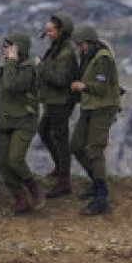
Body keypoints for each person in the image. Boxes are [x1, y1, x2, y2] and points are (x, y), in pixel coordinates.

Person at [70, 24, 121, 216]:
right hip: (89, 107)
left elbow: (100, 87)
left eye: (82, 45)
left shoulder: (103, 59)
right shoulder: (89, 58)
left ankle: (101, 196)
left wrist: (83, 86)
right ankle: (95, 180)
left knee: (95, 149)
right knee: (76, 145)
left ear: (90, 42)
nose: (80, 48)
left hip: (103, 108)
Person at [0, 32, 45, 215]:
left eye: (9, 46)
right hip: (7, 121)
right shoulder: (9, 67)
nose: (4, 49)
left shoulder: (27, 68)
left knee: (15, 159)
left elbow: (11, 85)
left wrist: (11, 61)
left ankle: (34, 188)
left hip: (24, 121)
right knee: (2, 164)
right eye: (4, 45)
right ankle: (20, 199)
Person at [36, 12, 79, 198]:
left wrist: (41, 67)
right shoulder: (56, 47)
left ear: (62, 31)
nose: (49, 34)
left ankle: (64, 181)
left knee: (61, 141)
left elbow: (61, 79)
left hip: (61, 102)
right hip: (52, 100)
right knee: (44, 131)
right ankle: (60, 168)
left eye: (51, 31)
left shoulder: (66, 53)